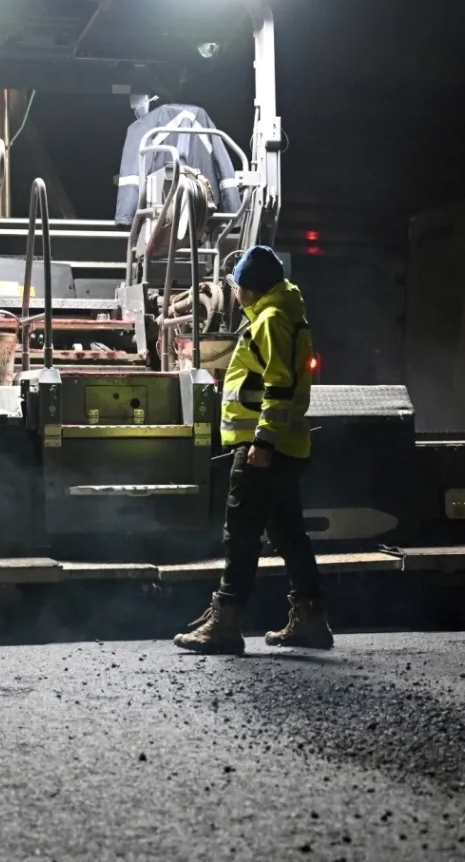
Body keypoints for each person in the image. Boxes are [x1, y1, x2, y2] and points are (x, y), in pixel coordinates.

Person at [174, 246, 331, 654]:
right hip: (284, 446)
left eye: (237, 284)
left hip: (265, 450)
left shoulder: (271, 320)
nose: (234, 291)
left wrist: (262, 442)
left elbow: (278, 387)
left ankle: (225, 624)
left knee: (241, 536)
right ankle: (311, 619)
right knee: (289, 534)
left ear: (250, 287)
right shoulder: (283, 315)